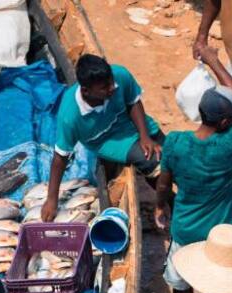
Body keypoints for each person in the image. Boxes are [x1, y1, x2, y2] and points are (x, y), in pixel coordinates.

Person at [155, 47, 232, 293]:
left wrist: (160, 206)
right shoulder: (231, 142)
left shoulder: (175, 142)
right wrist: (213, 61)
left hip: (186, 229)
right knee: (223, 284)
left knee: (180, 282)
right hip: (223, 231)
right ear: (225, 123)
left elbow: (163, 183)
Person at [42, 55, 165, 222]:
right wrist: (52, 200)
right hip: (106, 140)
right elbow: (60, 158)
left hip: (127, 120)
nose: (112, 87)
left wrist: (144, 136)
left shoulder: (120, 75)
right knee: (150, 160)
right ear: (86, 91)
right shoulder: (69, 117)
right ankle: (170, 202)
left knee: (170, 153)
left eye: (111, 82)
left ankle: (172, 195)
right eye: (104, 87)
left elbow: (133, 102)